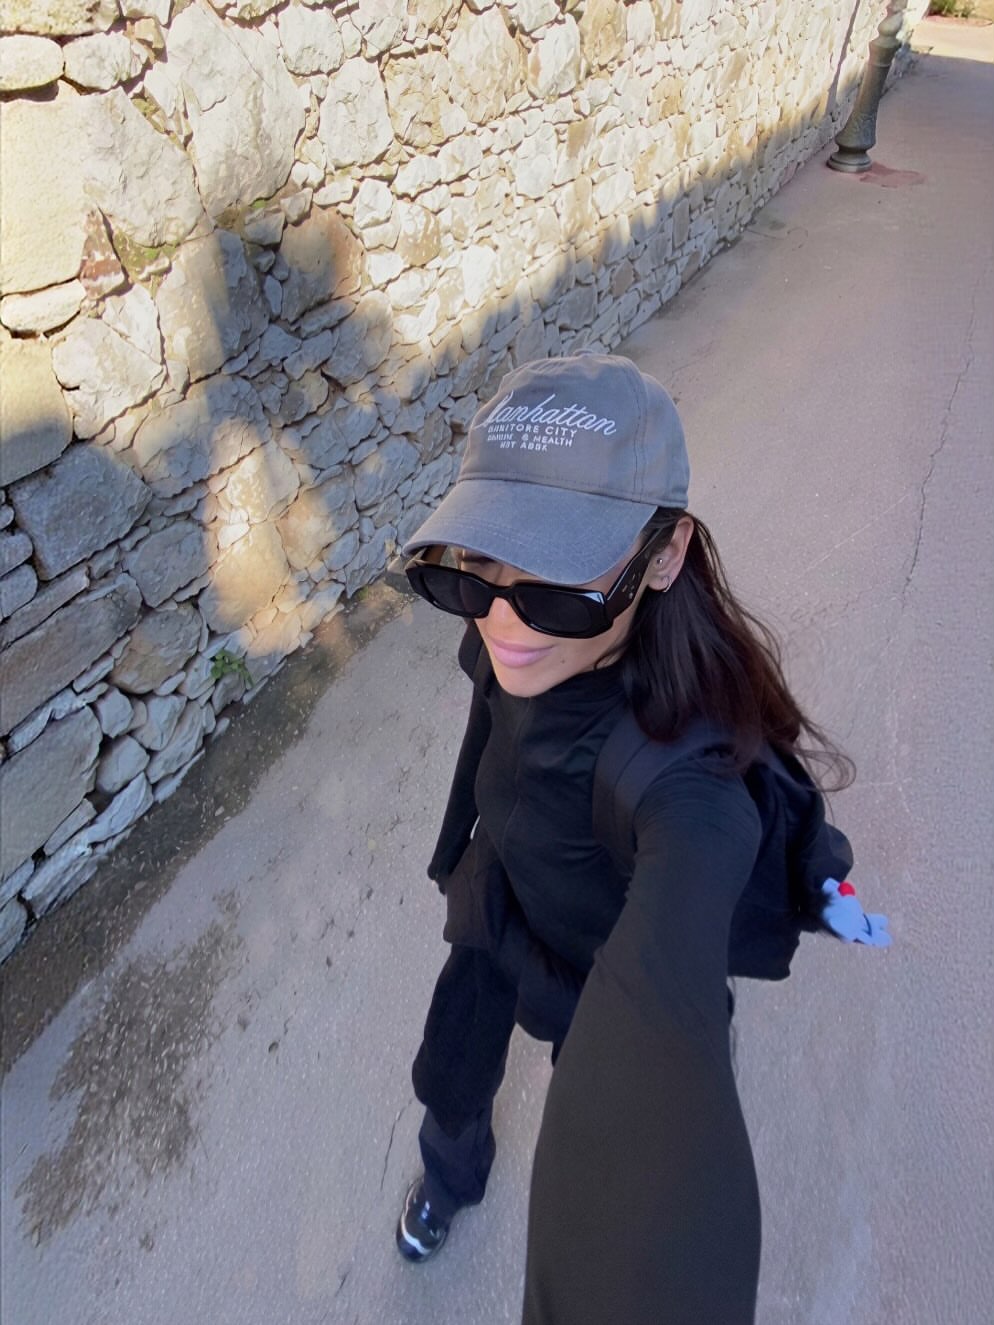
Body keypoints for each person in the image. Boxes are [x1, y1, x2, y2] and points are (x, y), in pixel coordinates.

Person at [393, 351, 887, 1324]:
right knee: (450, 1065)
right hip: (496, 899)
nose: (503, 618)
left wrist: (829, 887)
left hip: (597, 971)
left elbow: (659, 1123)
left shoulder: (686, 768)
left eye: (558, 577)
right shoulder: (516, 627)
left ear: (665, 555)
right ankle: (449, 1177)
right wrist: (460, 850)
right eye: (478, 564)